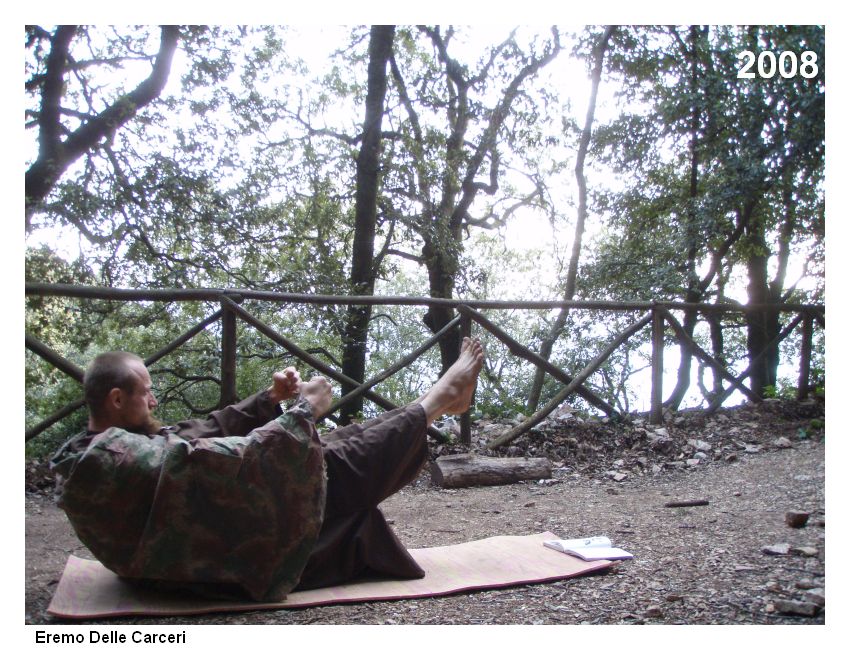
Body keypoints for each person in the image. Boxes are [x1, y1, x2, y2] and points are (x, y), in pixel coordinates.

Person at [51, 338, 484, 601]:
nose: (154, 401)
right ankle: (437, 400)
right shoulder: (107, 463)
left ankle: (436, 405)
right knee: (329, 464)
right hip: (218, 551)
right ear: (115, 399)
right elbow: (213, 459)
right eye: (146, 393)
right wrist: (301, 414)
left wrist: (269, 401)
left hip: (210, 525)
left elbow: (190, 434)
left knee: (329, 445)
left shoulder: (110, 445)